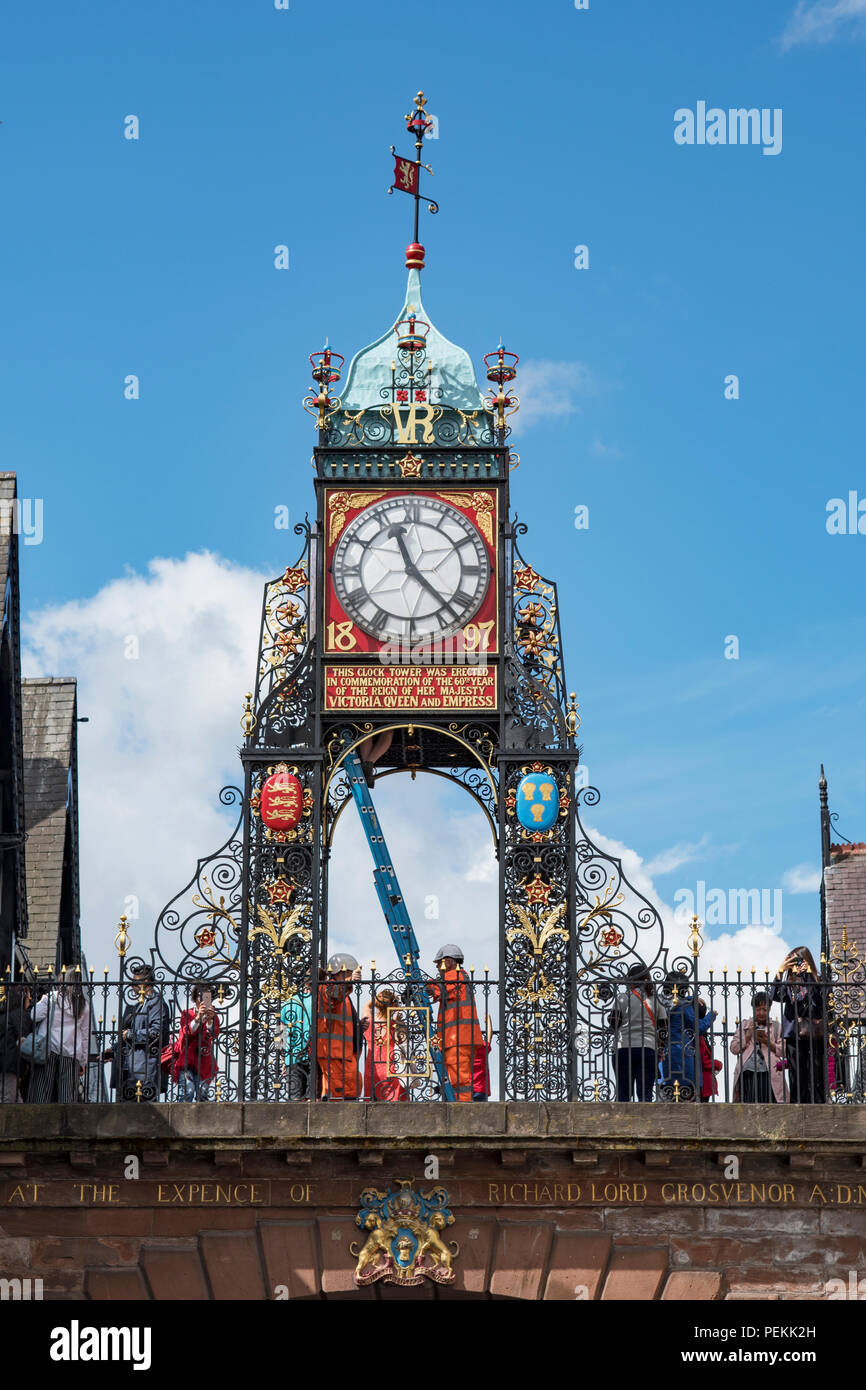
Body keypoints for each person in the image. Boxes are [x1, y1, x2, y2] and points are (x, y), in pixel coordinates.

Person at [768, 947, 826, 1103]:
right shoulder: (789, 983)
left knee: (815, 1073)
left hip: (814, 1032)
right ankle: (798, 1105)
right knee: (797, 1074)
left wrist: (808, 976)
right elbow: (773, 996)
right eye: (793, 961)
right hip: (794, 1034)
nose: (796, 964)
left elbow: (818, 1003)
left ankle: (818, 1104)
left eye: (799, 960)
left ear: (807, 960)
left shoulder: (817, 979)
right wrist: (780, 972)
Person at [427, 944, 483, 1102]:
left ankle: (461, 1108)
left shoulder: (455, 975)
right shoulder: (460, 977)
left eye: (439, 963)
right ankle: (456, 1103)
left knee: (459, 1078)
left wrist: (419, 985)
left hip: (458, 1038)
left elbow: (436, 987)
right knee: (455, 1077)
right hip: (458, 1038)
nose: (438, 968)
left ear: (449, 962)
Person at [108, 965, 171, 1101]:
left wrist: (131, 1034)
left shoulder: (156, 1004)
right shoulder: (139, 1005)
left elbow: (156, 1032)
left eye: (134, 982)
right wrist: (113, 1050)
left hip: (145, 1069)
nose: (131, 986)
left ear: (146, 982)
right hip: (130, 1068)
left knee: (145, 1111)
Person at [28, 968, 90, 1102]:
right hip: (71, 1055)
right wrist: (83, 1062)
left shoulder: (52, 998)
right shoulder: (83, 1005)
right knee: (67, 1097)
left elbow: (34, 1015)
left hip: (48, 1050)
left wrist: (42, 1000)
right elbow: (85, 1036)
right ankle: (66, 1121)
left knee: (41, 1092)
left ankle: (39, 1118)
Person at [610, 964, 667, 1102]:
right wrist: (661, 1049)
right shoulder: (656, 1000)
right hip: (647, 1049)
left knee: (623, 1094)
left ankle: (623, 1121)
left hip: (623, 1049)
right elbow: (664, 1029)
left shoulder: (622, 998)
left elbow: (613, 1022)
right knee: (645, 1094)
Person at [317, 953, 360, 1100]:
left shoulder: (346, 996)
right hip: (333, 1051)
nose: (351, 976)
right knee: (337, 1091)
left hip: (344, 1052)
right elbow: (334, 996)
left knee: (352, 1086)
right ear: (340, 972)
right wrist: (348, 984)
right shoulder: (326, 988)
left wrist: (361, 1026)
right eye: (348, 973)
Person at [659, 982, 713, 1100]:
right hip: (683, 1054)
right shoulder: (685, 1007)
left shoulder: (660, 1003)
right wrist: (711, 1016)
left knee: (667, 1094)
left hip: (666, 1053)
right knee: (685, 1095)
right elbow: (698, 1027)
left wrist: (690, 999)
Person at [730, 992, 787, 1103]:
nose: (761, 1013)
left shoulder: (776, 1026)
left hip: (769, 1071)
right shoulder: (744, 1025)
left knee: (769, 1103)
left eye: (765, 1010)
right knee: (749, 1103)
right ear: (753, 1009)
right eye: (758, 1009)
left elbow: (784, 1050)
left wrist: (769, 1043)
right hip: (748, 1071)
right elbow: (734, 1048)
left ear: (769, 1009)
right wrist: (748, 1036)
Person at [172, 984, 221, 1101]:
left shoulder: (213, 1016)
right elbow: (185, 1033)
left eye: (207, 996)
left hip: (204, 1060)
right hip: (187, 1059)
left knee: (202, 1093)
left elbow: (214, 1034)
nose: (204, 999)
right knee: (187, 1092)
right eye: (201, 996)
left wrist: (209, 1020)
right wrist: (198, 1017)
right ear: (195, 998)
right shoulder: (187, 1013)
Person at [361, 987, 407, 1101]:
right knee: (396, 1105)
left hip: (372, 1068)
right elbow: (404, 1043)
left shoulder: (368, 1023)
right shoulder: (395, 1025)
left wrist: (379, 998)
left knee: (372, 1104)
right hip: (392, 1068)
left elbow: (367, 1005)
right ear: (393, 1006)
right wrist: (399, 1020)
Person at [280, 979, 313, 1100]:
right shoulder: (319, 1002)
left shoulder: (289, 1002)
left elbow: (280, 1032)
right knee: (313, 1099)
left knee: (295, 1099)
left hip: (292, 1055)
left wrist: (282, 1059)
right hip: (312, 1054)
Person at [0, 984, 33, 1102]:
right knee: (7, 1100)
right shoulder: (19, 1014)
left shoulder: (5, 1015)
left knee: (17, 1101)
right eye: (29, 996)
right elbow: (24, 1039)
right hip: (9, 1064)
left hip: (4, 1063)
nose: (30, 999)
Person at [697, 1000, 723, 1102]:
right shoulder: (699, 1037)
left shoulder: (700, 1036)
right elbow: (704, 1061)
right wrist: (718, 1064)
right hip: (703, 1082)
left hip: (703, 1082)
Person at [473, 1013, 494, 1101]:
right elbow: (490, 1034)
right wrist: (488, 1020)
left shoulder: (465, 1051)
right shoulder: (483, 1048)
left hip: (466, 1088)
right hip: (481, 1089)